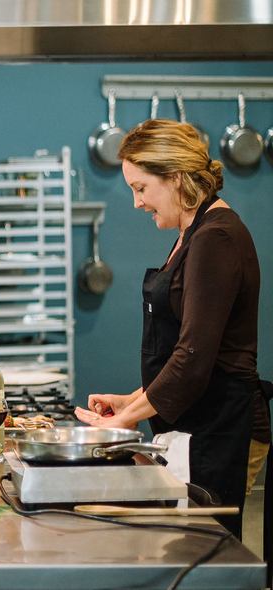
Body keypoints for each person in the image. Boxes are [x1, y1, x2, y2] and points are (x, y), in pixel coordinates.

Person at [74, 119, 269, 540]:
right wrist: (132, 399)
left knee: (203, 552)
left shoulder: (216, 237)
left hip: (220, 425)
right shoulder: (192, 232)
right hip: (198, 419)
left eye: (141, 188)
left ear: (176, 177)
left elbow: (194, 357)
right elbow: (185, 349)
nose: (137, 203)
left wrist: (124, 420)